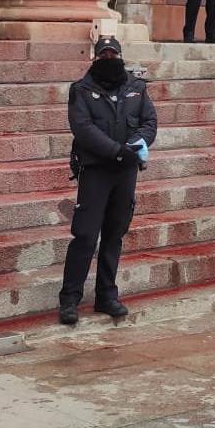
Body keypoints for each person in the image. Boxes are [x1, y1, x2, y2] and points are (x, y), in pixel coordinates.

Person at [59, 35, 157, 325]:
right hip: (96, 171)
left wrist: (135, 145)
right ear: (96, 57)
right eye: (104, 55)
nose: (109, 59)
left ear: (121, 56)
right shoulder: (81, 90)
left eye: (113, 54)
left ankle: (107, 295)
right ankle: (69, 299)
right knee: (86, 236)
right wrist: (117, 152)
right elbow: (83, 128)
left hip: (125, 172)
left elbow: (149, 122)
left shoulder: (136, 89)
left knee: (115, 234)